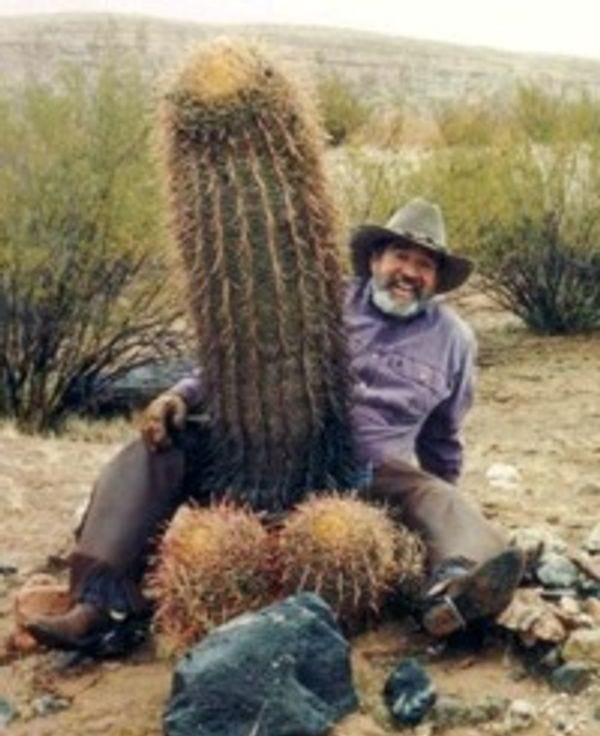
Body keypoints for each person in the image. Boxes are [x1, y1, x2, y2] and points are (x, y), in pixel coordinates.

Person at [26, 198, 523, 649]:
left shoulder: (454, 340)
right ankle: (100, 607)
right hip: (273, 444)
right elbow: (245, 355)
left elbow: (443, 437)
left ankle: (457, 591)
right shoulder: (324, 301)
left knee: (438, 497)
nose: (409, 272)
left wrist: (430, 520)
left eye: (425, 264)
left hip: (367, 473)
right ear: (375, 259)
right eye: (401, 256)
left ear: (437, 279)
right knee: (156, 450)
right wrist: (180, 394)